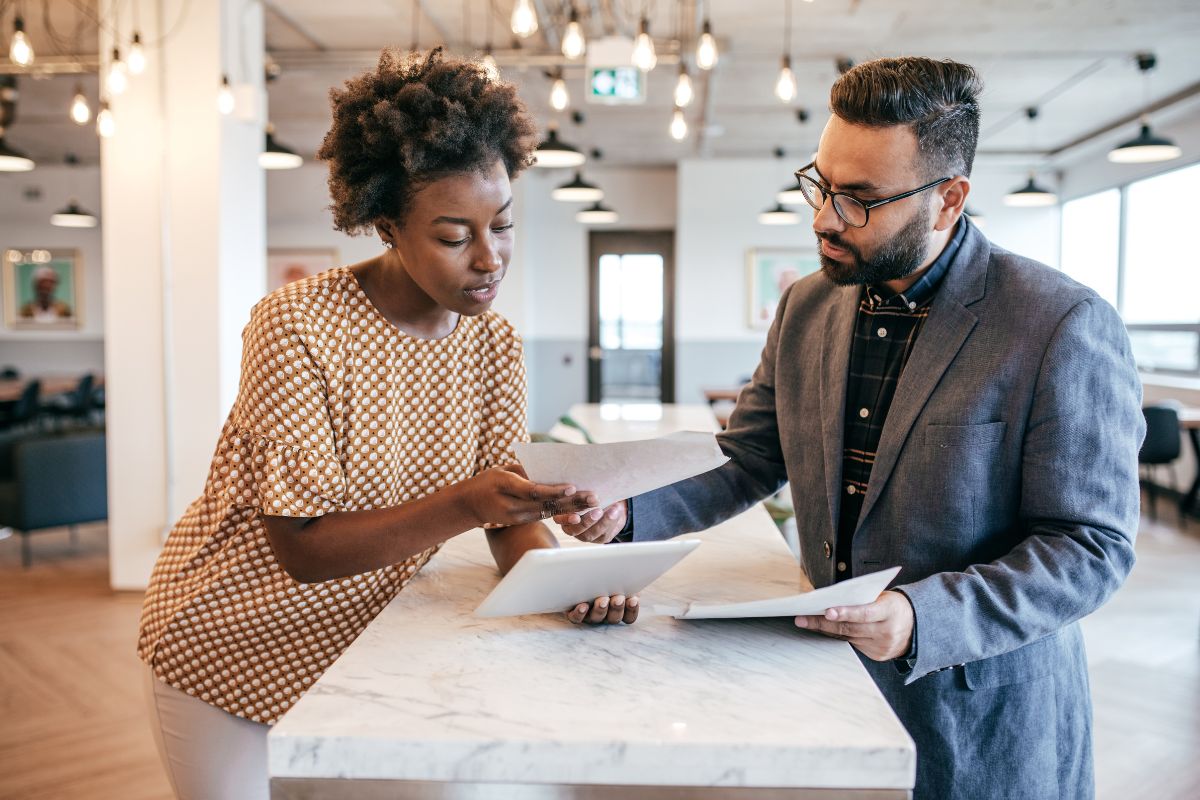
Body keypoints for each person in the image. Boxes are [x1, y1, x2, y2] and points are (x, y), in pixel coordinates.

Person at [559, 57, 1143, 799]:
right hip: (825, 686)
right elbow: (750, 456)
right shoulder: (808, 305)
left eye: (860, 199)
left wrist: (919, 614)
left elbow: (1090, 546)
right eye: (823, 184)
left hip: (979, 711)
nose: (825, 218)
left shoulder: (1058, 323)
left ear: (948, 200)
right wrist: (629, 515)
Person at [137, 49, 633, 800]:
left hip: (365, 645)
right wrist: (468, 503)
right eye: (453, 235)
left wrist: (572, 581)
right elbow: (301, 549)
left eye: (500, 225)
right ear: (385, 224)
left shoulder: (493, 342)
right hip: (229, 639)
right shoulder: (296, 325)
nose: (489, 257)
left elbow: (505, 515)